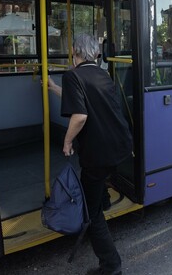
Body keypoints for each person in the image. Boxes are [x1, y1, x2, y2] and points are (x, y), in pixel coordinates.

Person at [59, 34, 132, 275]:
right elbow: (82, 99)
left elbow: (80, 115)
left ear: (74, 51)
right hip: (119, 147)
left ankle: (111, 265)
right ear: (95, 53)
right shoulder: (102, 74)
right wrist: (54, 88)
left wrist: (67, 142)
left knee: (91, 213)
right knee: (98, 183)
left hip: (98, 154)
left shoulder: (72, 75)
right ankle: (103, 197)